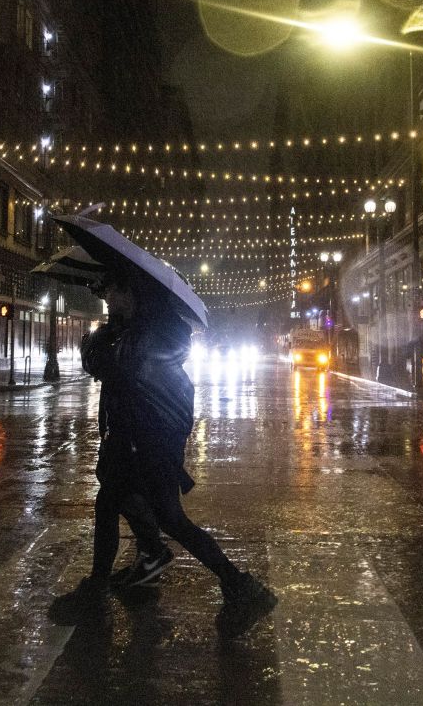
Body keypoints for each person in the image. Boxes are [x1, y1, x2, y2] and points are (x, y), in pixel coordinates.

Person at [49, 268, 277, 635]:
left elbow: (111, 368)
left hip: (148, 440)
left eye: (111, 290)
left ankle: (236, 585)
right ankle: (160, 564)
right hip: (140, 437)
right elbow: (105, 365)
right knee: (122, 505)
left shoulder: (150, 335)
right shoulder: (138, 328)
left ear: (129, 292)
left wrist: (104, 335)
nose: (106, 298)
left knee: (156, 514)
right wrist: (110, 332)